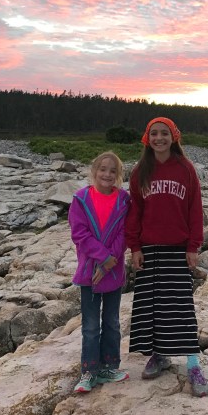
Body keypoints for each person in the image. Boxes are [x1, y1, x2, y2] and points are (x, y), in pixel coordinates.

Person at [126, 117, 208, 397]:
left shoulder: (185, 168)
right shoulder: (140, 171)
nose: (159, 138)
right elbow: (135, 212)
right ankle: (159, 355)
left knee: (181, 307)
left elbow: (195, 209)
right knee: (153, 307)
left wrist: (193, 246)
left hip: (177, 248)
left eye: (164, 133)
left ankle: (193, 365)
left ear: (174, 137)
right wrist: (135, 247)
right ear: (147, 138)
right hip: (149, 248)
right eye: (154, 133)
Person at [69, 151, 130, 393]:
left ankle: (110, 366)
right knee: (91, 325)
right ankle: (89, 370)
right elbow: (79, 233)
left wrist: (109, 262)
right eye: (103, 169)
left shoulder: (124, 200)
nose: (107, 174)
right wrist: (102, 258)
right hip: (89, 272)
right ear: (94, 171)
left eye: (113, 171)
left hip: (113, 272)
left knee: (112, 322)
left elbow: (125, 233)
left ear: (119, 175)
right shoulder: (81, 199)